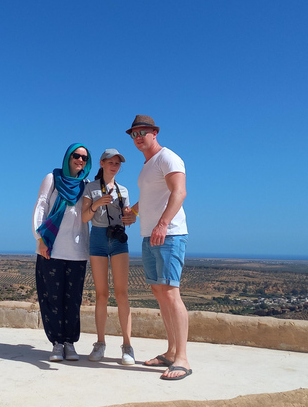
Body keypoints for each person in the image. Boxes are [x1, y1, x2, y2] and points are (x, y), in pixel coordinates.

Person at [126, 115, 192, 381]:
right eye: (134, 134)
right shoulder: (147, 165)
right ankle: (171, 351)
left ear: (154, 132)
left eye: (143, 132)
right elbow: (151, 196)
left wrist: (163, 224)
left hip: (169, 234)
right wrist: (133, 211)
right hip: (149, 234)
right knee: (159, 292)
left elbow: (179, 192)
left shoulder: (168, 158)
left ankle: (183, 359)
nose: (138, 137)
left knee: (171, 293)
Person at [32, 143, 92, 362]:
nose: (80, 160)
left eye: (84, 158)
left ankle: (70, 342)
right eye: (76, 156)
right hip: (52, 247)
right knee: (52, 298)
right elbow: (41, 206)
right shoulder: (52, 178)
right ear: (68, 157)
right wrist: (40, 239)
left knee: (73, 300)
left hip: (77, 251)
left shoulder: (86, 186)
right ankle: (56, 343)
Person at [81, 149, 137, 365]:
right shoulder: (91, 188)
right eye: (111, 162)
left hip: (118, 239)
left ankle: (127, 346)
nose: (114, 166)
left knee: (122, 293)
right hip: (98, 238)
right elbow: (85, 216)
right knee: (101, 294)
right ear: (102, 163)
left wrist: (129, 217)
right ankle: (100, 343)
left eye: (118, 163)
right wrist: (97, 203)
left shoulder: (123, 190)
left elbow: (128, 220)